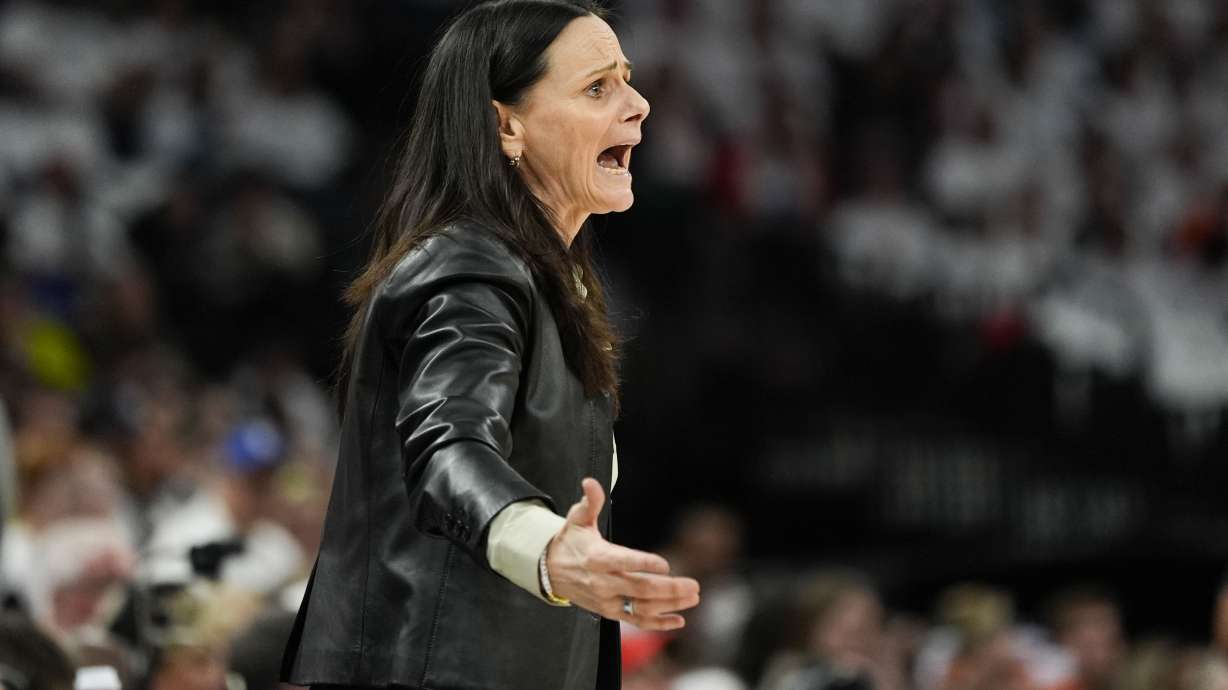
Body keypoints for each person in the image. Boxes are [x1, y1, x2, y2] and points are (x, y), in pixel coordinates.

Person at [279, 1, 701, 688]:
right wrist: (549, 550)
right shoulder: (467, 270)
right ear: (507, 125)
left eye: (627, 78)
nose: (640, 104)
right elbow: (449, 449)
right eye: (598, 86)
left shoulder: (542, 281)